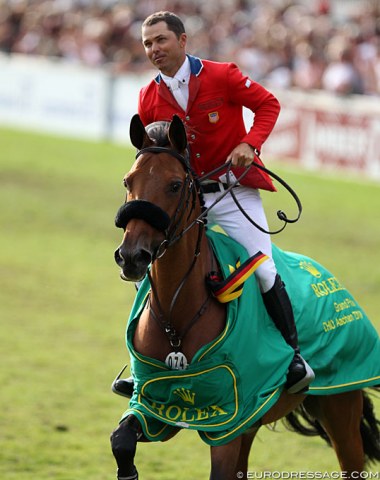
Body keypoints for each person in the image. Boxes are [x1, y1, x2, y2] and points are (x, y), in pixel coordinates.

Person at [113, 11, 314, 396]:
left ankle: (293, 356)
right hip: (183, 199)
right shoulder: (148, 96)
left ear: (183, 41)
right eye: (147, 44)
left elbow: (268, 104)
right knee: (149, 260)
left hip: (232, 190)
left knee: (263, 267)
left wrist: (249, 143)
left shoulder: (222, 75)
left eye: (161, 40)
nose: (154, 49)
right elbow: (154, 153)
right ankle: (142, 369)